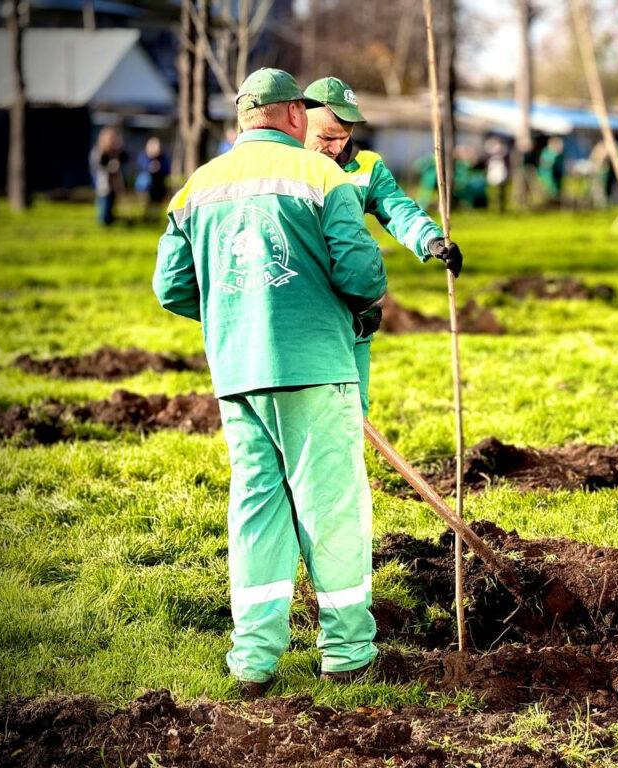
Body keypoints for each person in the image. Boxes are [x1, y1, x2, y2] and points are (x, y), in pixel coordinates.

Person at [153, 68, 388, 697]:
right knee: (331, 508)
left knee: (256, 510)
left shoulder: (195, 188)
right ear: (291, 116)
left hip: (239, 374)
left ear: (241, 121)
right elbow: (363, 274)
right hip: (316, 368)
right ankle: (347, 653)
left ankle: (253, 662)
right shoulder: (324, 177)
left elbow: (170, 288)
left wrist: (239, 309)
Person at [303, 75, 462, 415]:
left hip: (353, 306)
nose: (335, 147)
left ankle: (348, 462)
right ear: (300, 120)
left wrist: (431, 239)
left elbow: (396, 208)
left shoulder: (367, 167)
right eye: (326, 137)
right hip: (301, 302)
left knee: (351, 407)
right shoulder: (285, 165)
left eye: (343, 137)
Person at [89, 127, 126, 226]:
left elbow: (125, 158)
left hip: (114, 184)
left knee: (111, 204)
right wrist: (110, 167)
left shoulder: (116, 152)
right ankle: (104, 221)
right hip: (103, 184)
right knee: (104, 205)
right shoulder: (100, 151)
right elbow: (98, 166)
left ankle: (109, 220)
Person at [136, 137, 170, 220]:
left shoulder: (163, 158)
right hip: (146, 186)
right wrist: (150, 167)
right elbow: (141, 167)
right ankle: (146, 217)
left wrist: (160, 167)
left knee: (157, 202)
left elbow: (167, 169)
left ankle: (154, 217)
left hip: (159, 185)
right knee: (146, 202)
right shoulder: (144, 156)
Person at [537, 136, 565, 208]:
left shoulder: (559, 154)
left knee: (557, 188)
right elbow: (544, 164)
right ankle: (551, 202)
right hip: (547, 176)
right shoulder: (547, 152)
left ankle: (555, 203)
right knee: (551, 189)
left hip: (557, 176)